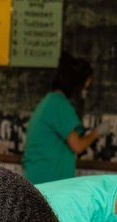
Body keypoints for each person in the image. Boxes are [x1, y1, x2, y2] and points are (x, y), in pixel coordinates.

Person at [23, 52, 104, 185]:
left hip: (39, 178)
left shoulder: (50, 101)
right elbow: (77, 146)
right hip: (47, 181)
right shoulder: (59, 104)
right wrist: (97, 132)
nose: (84, 92)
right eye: (84, 87)